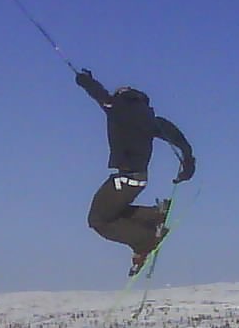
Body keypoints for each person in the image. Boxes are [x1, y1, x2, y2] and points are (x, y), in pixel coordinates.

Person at [75, 68, 195, 274]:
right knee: (112, 213)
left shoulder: (116, 106)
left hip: (125, 179)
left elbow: (98, 93)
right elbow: (179, 139)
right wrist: (188, 163)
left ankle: (146, 241)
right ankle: (155, 215)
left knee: (98, 220)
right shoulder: (151, 119)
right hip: (138, 179)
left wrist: (84, 79)